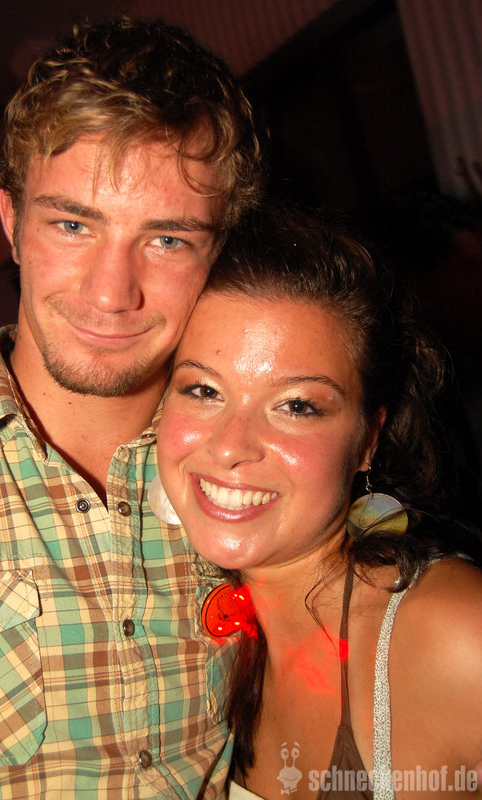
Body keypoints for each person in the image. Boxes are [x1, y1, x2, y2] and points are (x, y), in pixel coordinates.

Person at [0, 16, 262, 799]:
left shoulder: (259, 475)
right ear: (11, 223)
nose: (110, 293)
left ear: (218, 253)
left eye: (167, 240)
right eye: (72, 223)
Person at [157, 205, 482, 799]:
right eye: (203, 389)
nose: (230, 446)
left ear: (368, 440)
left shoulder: (455, 633)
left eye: (297, 406)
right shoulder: (203, 653)